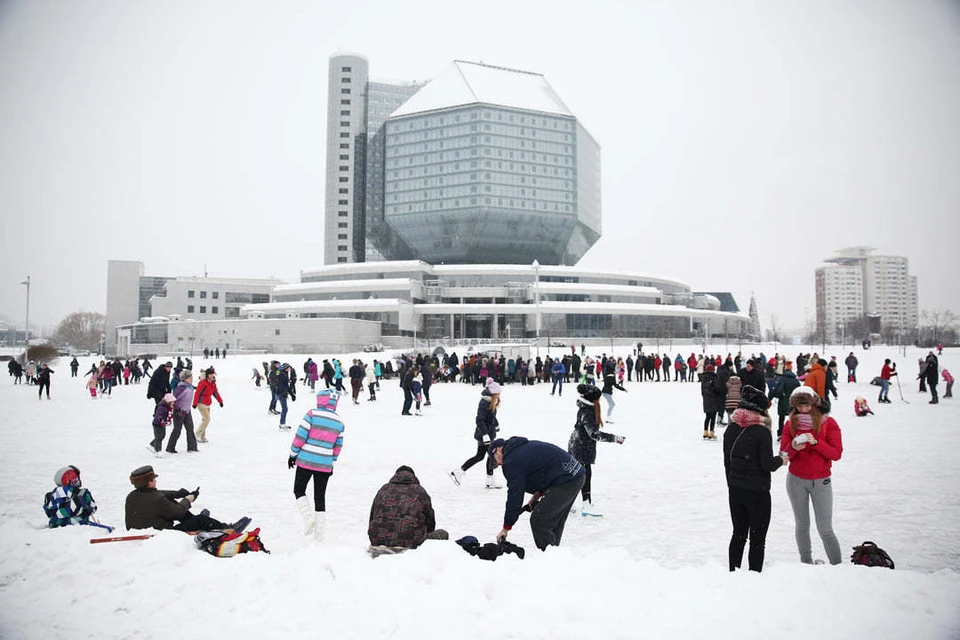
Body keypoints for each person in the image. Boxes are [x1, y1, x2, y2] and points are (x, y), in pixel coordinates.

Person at [723, 385, 787, 572]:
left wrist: (732, 483)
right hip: (757, 492)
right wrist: (781, 460)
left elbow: (728, 461)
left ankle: (732, 573)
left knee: (738, 534)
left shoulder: (732, 426)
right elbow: (766, 464)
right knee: (757, 539)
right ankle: (754, 578)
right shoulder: (761, 431)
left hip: (735, 489)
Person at [781, 386, 844, 565]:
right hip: (796, 480)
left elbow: (836, 453)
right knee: (802, 525)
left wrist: (816, 443)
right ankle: (806, 563)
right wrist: (793, 447)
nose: (803, 409)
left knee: (825, 528)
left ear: (814, 403)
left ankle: (838, 566)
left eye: (806, 405)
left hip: (821, 480)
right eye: (799, 406)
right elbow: (783, 455)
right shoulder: (790, 423)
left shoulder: (828, 423)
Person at [489, 436, 586, 551]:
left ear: (499, 450)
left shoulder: (511, 461)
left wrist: (506, 527)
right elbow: (543, 471)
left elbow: (515, 495)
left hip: (566, 480)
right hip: (575, 475)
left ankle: (550, 558)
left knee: (539, 521)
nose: (497, 464)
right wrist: (536, 496)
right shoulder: (520, 448)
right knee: (554, 523)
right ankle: (555, 555)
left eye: (495, 460)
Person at [289, 389, 344, 542]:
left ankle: (309, 520)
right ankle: (319, 536)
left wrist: (293, 454)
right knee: (320, 497)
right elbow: (338, 446)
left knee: (299, 490)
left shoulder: (312, 414)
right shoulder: (339, 422)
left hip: (306, 459)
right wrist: (331, 464)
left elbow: (300, 436)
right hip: (324, 463)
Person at [125, 465, 249, 533]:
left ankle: (194, 520)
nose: (155, 480)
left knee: (171, 502)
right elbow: (177, 511)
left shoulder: (132, 496)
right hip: (159, 535)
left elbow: (159, 494)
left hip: (143, 530)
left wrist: (177, 494)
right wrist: (188, 499)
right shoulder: (157, 499)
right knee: (200, 520)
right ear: (149, 482)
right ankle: (229, 529)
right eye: (153, 479)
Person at [567, 384, 624, 516]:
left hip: (580, 445)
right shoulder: (588, 412)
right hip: (581, 447)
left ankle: (574, 503)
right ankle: (584, 505)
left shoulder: (587, 409)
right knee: (583, 476)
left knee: (580, 475)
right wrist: (615, 438)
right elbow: (593, 434)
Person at [367, 465, 448, 551]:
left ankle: (383, 548)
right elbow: (430, 522)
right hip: (412, 542)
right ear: (413, 476)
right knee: (443, 534)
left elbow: (373, 517)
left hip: (378, 540)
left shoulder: (383, 490)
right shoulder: (420, 491)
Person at [450, 378, 503, 488]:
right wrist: (485, 434)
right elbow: (479, 419)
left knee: (481, 456)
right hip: (484, 435)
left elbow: (491, 416)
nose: (499, 396)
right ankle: (489, 480)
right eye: (497, 394)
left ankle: (460, 471)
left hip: (487, 433)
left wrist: (496, 424)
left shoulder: (490, 401)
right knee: (491, 455)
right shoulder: (485, 403)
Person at [167, 370, 198, 453]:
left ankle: (192, 447)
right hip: (179, 411)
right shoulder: (182, 387)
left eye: (192, 377)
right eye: (189, 378)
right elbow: (174, 398)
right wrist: (177, 409)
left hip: (187, 411)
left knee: (190, 429)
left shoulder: (190, 387)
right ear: (184, 379)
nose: (191, 379)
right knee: (177, 430)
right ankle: (170, 448)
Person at [769, 363, 800, 438]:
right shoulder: (796, 381)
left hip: (783, 401)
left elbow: (775, 390)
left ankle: (780, 433)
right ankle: (793, 433)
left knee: (781, 418)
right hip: (793, 402)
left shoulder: (782, 379)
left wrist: (769, 399)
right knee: (792, 418)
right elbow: (799, 392)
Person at [193, 367, 223, 443]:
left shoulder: (213, 383)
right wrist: (195, 403)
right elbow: (197, 393)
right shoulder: (203, 383)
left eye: (212, 374)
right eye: (210, 374)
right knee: (207, 419)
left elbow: (215, 393)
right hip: (201, 403)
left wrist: (220, 401)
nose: (212, 375)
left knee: (204, 420)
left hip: (208, 403)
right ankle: (197, 434)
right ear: (207, 375)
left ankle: (202, 437)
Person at [148, 393, 175, 457]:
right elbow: (158, 415)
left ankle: (152, 445)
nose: (173, 403)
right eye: (172, 402)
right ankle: (157, 451)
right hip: (157, 424)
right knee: (159, 437)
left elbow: (170, 413)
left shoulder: (168, 407)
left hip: (162, 424)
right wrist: (161, 420)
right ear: (168, 402)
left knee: (162, 436)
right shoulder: (162, 407)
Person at [700, 364, 722, 440]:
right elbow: (717, 388)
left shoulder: (703, 378)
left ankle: (705, 432)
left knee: (707, 417)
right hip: (714, 399)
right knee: (713, 417)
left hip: (706, 400)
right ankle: (711, 432)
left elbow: (703, 390)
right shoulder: (714, 377)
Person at [277, 363, 292, 429]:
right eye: (289, 368)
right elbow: (283, 385)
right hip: (281, 393)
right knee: (285, 408)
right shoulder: (282, 375)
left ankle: (282, 423)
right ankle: (282, 423)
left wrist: (291, 394)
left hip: (281, 393)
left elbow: (286, 385)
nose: (290, 369)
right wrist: (285, 392)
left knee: (285, 408)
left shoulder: (284, 373)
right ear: (286, 368)